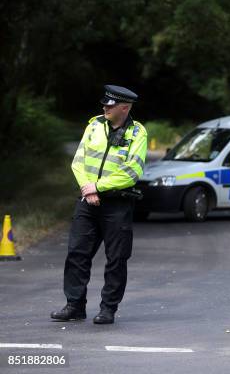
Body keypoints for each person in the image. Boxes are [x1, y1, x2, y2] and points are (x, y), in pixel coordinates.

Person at [51, 85, 147, 324]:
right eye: (105, 104)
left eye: (111, 105)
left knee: (116, 258)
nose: (105, 107)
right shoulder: (94, 125)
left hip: (117, 205)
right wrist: (88, 188)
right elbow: (78, 161)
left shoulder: (137, 133)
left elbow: (132, 172)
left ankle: (108, 309)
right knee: (77, 253)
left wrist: (99, 187)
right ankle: (74, 305)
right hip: (88, 201)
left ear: (124, 107)